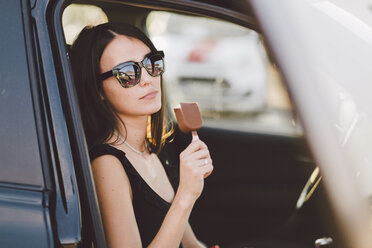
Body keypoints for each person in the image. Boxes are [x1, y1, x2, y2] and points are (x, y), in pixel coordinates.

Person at [69, 22, 214, 248]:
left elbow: (191, 244)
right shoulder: (107, 164)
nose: (147, 79)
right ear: (99, 91)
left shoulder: (150, 151)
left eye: (151, 64)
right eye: (127, 73)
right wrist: (186, 195)